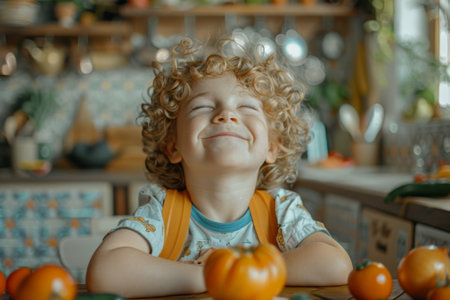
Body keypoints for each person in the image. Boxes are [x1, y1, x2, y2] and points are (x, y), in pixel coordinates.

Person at [86, 37, 353, 298]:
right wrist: (208, 276)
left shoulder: (281, 211)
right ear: (173, 146)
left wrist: (241, 271)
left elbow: (336, 265)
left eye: (247, 106)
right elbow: (105, 272)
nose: (226, 114)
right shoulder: (162, 213)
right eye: (202, 106)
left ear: (272, 146)